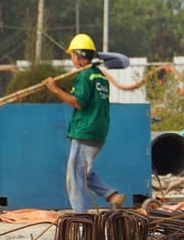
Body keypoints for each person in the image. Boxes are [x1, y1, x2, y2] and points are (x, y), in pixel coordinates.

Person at [42, 33, 125, 213]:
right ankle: (112, 196)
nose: (72, 59)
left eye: (72, 55)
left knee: (74, 177)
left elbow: (79, 102)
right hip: (98, 131)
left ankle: (81, 217)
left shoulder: (85, 75)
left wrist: (55, 89)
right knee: (82, 173)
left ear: (79, 57)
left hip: (85, 131)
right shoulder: (99, 76)